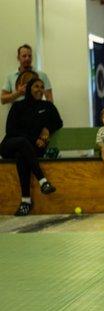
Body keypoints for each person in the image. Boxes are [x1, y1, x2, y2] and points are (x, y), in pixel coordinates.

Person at [0, 78, 62, 216]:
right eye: (36, 86)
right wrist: (35, 138)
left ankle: (26, 202)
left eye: (42, 87)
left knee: (21, 156)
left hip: (31, 149)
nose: (40, 89)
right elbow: (10, 130)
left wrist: (47, 129)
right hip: (10, 145)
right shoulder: (17, 106)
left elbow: (58, 122)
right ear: (29, 88)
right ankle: (43, 181)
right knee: (22, 142)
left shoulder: (48, 106)